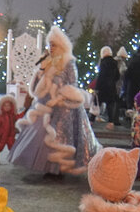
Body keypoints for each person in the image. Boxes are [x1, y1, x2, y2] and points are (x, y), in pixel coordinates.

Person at [8, 25, 100, 177]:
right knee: (45, 136)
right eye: (49, 44)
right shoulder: (48, 62)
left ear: (61, 45)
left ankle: (59, 170)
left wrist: (60, 93)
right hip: (47, 105)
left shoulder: (69, 62)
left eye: (54, 45)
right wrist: (41, 72)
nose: (51, 48)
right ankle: (49, 168)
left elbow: (73, 84)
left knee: (62, 138)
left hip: (65, 107)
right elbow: (37, 89)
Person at [95, 46, 120, 127]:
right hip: (111, 87)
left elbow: (101, 76)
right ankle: (111, 122)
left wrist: (97, 87)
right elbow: (117, 76)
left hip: (103, 87)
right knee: (110, 105)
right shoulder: (114, 63)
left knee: (96, 103)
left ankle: (92, 119)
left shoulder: (103, 63)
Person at [121, 44, 140, 114]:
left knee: (132, 101)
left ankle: (131, 115)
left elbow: (127, 74)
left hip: (132, 84)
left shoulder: (133, 61)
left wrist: (125, 85)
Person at [0, 94, 19, 163]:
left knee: (12, 146)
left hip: (11, 135)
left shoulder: (13, 115)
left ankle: (14, 157)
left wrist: (25, 113)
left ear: (12, 106)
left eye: (8, 105)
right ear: (1, 106)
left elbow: (19, 117)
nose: (7, 107)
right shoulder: (0, 116)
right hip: (2, 135)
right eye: (5, 105)